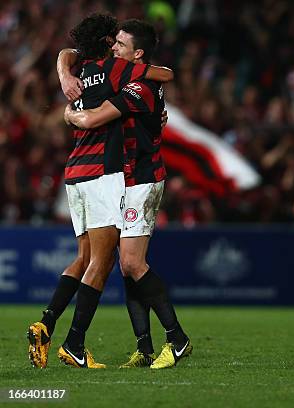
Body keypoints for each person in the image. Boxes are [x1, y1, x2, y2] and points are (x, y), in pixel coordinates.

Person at [27, 13, 174, 369]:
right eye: (116, 40)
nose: (117, 45)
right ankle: (75, 343)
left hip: (73, 174)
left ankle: (45, 323)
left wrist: (66, 95)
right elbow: (164, 74)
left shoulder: (79, 75)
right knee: (103, 262)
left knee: (83, 258)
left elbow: (66, 55)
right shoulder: (115, 70)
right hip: (101, 174)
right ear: (108, 43)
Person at [63, 19, 192, 369]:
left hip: (143, 180)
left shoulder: (139, 88)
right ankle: (145, 348)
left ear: (137, 54)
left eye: (120, 44)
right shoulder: (130, 79)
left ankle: (177, 339)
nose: (113, 48)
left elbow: (92, 120)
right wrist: (65, 70)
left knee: (133, 263)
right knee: (125, 265)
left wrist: (71, 114)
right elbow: (71, 55)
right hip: (127, 179)